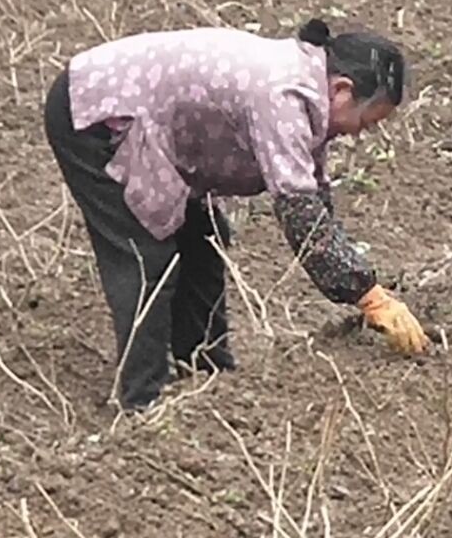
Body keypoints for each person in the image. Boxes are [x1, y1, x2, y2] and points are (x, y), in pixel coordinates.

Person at [43, 20, 431, 414]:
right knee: (146, 254)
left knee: (204, 237)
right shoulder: (284, 95)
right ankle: (143, 400)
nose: (359, 134)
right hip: (98, 114)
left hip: (157, 130)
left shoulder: (310, 88)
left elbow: (316, 206)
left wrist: (360, 285)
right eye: (366, 122)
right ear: (342, 90)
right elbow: (301, 216)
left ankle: (206, 373)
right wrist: (368, 295)